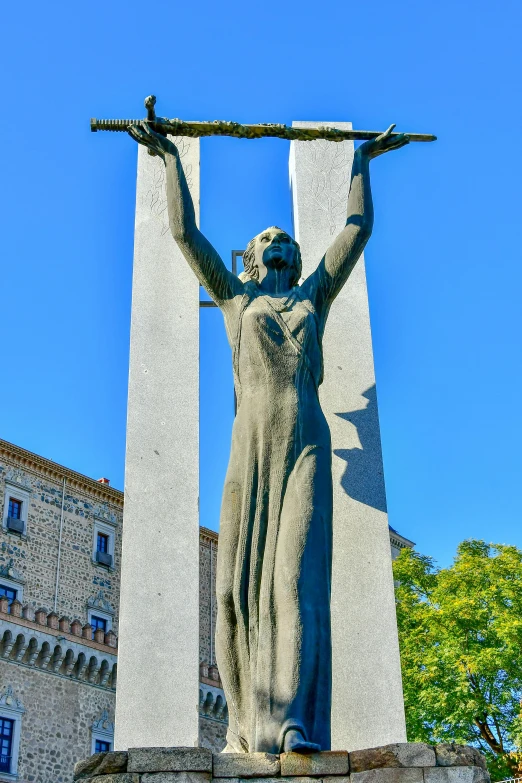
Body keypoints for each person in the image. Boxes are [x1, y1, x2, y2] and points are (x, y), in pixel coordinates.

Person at [128, 121, 409, 754]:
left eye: (285, 237)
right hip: (248, 447)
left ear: (296, 258)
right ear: (253, 259)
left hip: (305, 442)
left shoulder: (314, 297)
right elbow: (184, 234)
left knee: (293, 583)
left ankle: (292, 721)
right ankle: (239, 726)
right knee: (231, 592)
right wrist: (170, 157)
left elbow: (356, 231)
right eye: (266, 238)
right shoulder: (234, 299)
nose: (277, 239)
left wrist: (360, 161)